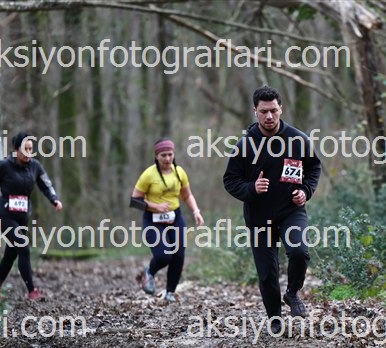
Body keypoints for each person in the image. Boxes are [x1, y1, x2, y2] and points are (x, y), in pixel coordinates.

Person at [223, 85, 321, 333]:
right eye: (264, 111)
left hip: (291, 211)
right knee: (267, 273)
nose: (269, 116)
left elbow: (313, 168)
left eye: (273, 110)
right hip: (259, 217)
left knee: (299, 252)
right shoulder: (245, 145)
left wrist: (306, 191)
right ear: (255, 111)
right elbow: (230, 181)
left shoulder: (297, 139)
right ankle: (275, 319)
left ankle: (293, 293)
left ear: (281, 109)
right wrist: (252, 188)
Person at [0, 132, 62, 301]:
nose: (28, 153)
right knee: (23, 246)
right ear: (16, 150)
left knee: (11, 253)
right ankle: (32, 291)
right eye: (25, 149)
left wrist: (54, 199)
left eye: (31, 149)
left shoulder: (35, 166)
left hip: (22, 217)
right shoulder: (4, 166)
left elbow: (46, 185)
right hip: (5, 215)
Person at [130, 138, 204, 303]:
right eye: (163, 155)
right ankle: (149, 272)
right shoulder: (149, 174)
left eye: (170, 154)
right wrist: (155, 206)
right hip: (153, 220)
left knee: (178, 255)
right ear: (156, 156)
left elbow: (187, 195)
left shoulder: (179, 172)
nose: (167, 158)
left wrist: (196, 211)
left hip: (175, 217)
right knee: (164, 256)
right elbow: (134, 200)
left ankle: (170, 292)